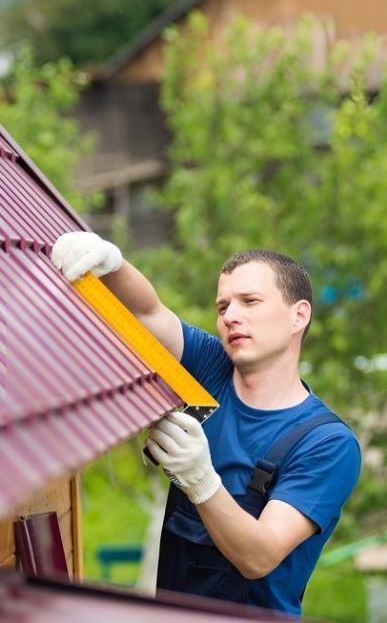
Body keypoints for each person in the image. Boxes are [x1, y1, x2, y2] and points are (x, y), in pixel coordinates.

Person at [51, 232, 361, 617]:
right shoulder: (210, 369)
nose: (230, 316)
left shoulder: (327, 444)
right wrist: (112, 264)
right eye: (223, 306)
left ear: (299, 315)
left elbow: (259, 555)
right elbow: (147, 311)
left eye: (249, 301)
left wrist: (201, 479)